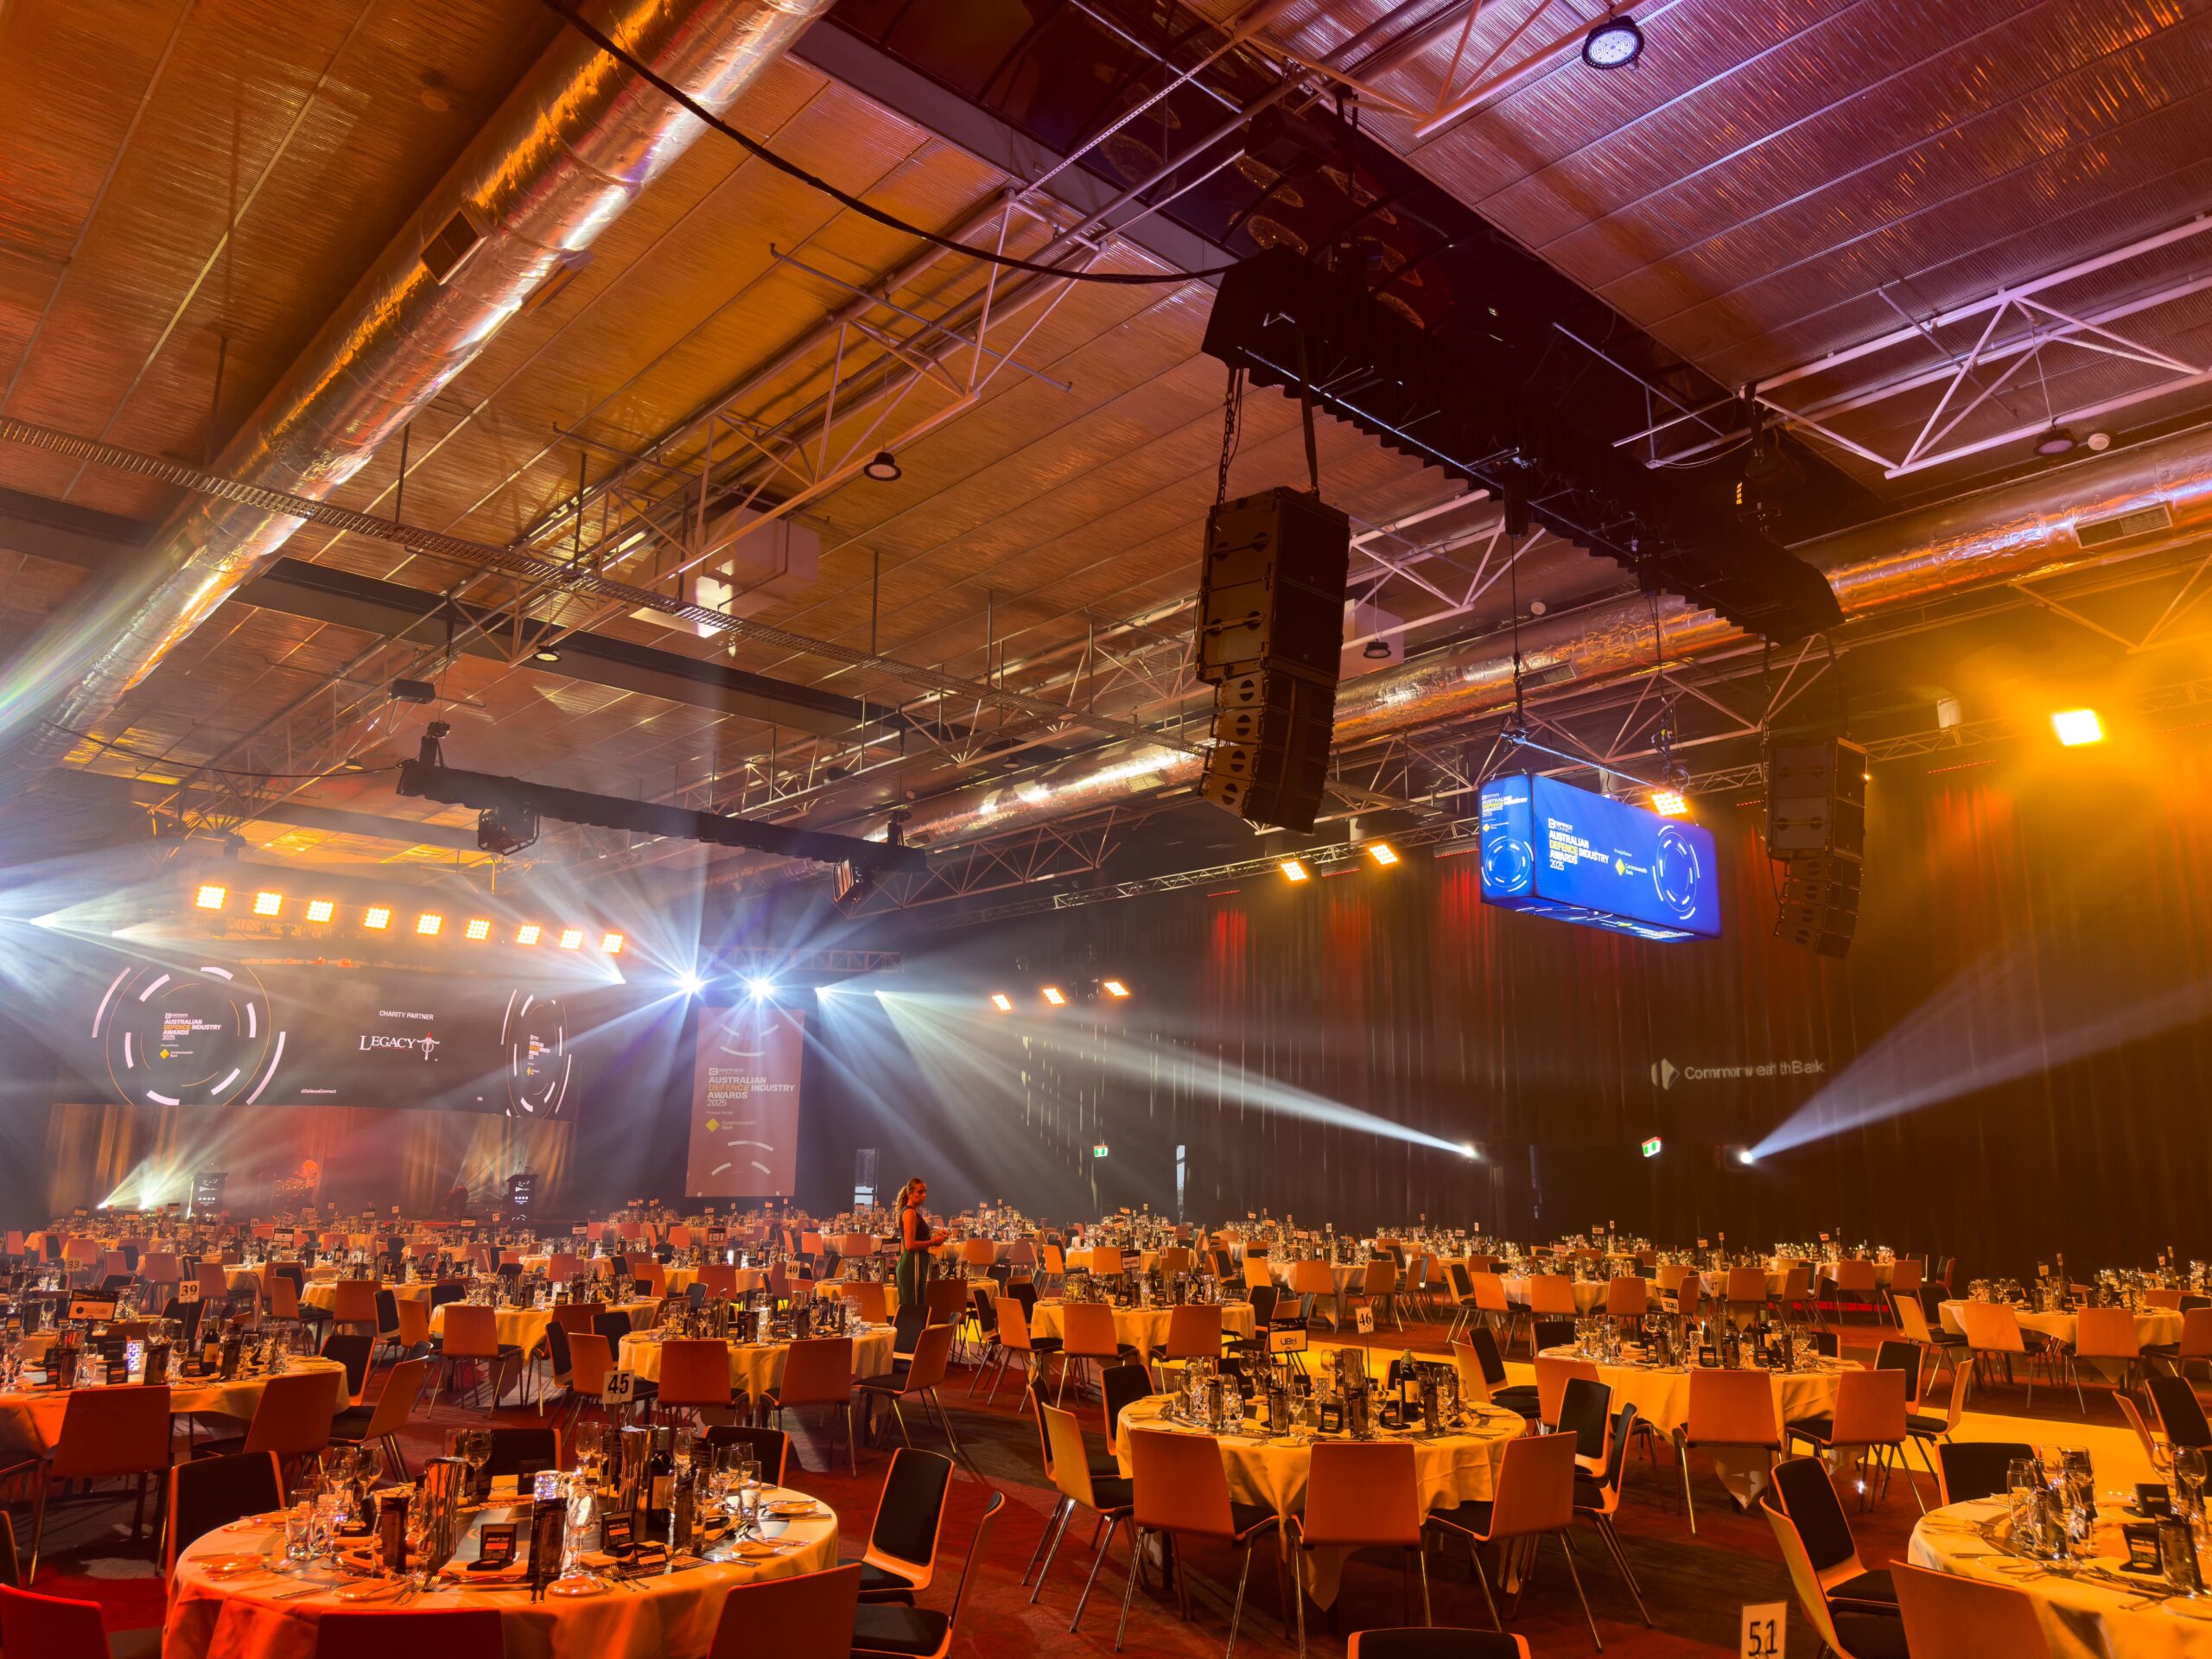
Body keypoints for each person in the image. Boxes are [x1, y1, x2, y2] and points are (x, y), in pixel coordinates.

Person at [893, 1177, 948, 1313]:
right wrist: (934, 1242)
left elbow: (919, 1236)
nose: (924, 1195)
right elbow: (910, 1245)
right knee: (914, 1309)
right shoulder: (909, 1213)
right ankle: (911, 1335)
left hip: (917, 1263)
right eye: (920, 1192)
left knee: (916, 1306)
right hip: (913, 1264)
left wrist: (935, 1234)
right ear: (910, 1193)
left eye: (925, 1191)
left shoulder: (913, 1212)